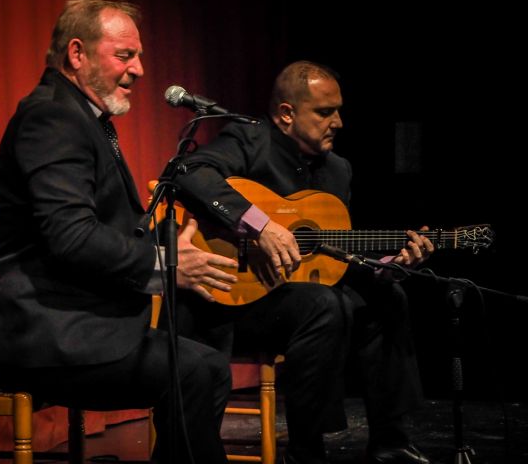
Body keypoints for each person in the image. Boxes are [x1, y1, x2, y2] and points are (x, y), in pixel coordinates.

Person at [0, 0, 240, 464]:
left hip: (75, 323)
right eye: (124, 55)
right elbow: (71, 236)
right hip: (45, 334)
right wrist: (165, 265)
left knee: (204, 340)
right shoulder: (53, 117)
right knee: (199, 371)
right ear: (77, 54)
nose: (139, 70)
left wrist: (170, 253)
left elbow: (93, 230)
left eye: (139, 56)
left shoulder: (80, 116)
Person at [172, 61, 435, 464]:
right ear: (286, 114)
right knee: (325, 305)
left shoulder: (338, 170)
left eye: (339, 110)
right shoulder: (250, 139)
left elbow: (333, 257)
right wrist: (258, 226)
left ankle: (390, 439)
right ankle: (306, 450)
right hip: (236, 301)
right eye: (325, 112)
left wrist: (387, 263)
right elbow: (189, 172)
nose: (339, 122)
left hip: (298, 304)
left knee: (387, 296)